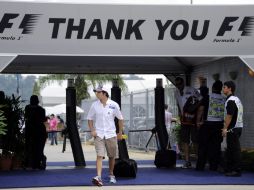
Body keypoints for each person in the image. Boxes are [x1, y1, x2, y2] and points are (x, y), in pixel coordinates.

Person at [87, 85, 124, 186]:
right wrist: (92, 130)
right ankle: (98, 177)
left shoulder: (114, 105)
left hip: (111, 134)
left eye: (98, 92)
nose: (97, 94)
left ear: (104, 93)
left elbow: (120, 119)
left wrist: (120, 132)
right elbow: (89, 118)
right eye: (96, 92)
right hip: (99, 134)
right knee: (99, 155)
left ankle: (111, 175)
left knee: (112, 156)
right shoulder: (94, 105)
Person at [196, 81, 225, 171]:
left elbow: (201, 109)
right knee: (216, 146)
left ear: (212, 88)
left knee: (203, 146)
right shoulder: (224, 99)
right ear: (221, 88)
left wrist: (197, 121)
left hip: (207, 124)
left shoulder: (208, 97)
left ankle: (200, 166)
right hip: (219, 124)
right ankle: (214, 166)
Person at [174, 77, 202, 168]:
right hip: (184, 120)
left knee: (195, 140)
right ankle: (187, 161)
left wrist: (196, 112)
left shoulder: (191, 90)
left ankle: (198, 160)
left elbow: (201, 99)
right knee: (184, 140)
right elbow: (178, 105)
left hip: (193, 119)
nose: (178, 86)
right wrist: (180, 115)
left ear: (183, 83)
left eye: (179, 84)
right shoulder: (176, 92)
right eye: (176, 85)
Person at [222, 81, 243, 177]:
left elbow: (229, 115)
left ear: (230, 88)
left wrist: (225, 128)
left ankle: (236, 170)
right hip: (238, 127)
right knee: (232, 149)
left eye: (224, 87)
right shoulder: (236, 99)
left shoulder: (231, 100)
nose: (223, 89)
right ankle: (230, 169)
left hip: (232, 128)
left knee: (234, 149)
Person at [24, 95, 47, 170]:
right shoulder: (41, 109)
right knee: (39, 149)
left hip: (30, 131)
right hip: (40, 132)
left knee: (31, 148)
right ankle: (39, 163)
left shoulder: (27, 108)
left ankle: (33, 164)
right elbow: (43, 120)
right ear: (38, 101)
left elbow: (26, 117)